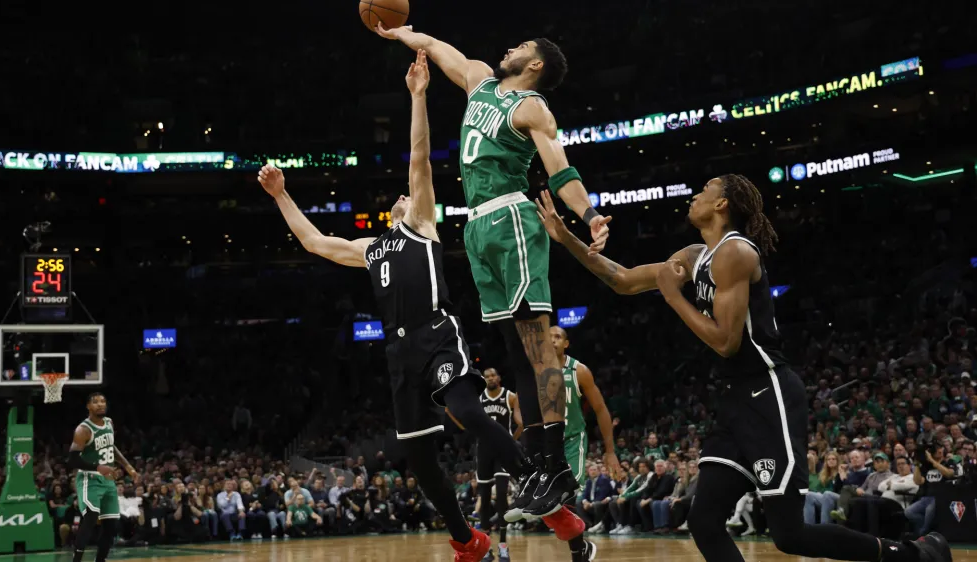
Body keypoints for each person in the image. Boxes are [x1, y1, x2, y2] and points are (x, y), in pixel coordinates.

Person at [536, 176, 952, 561]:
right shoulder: (696, 255)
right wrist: (565, 237)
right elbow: (624, 280)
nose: (694, 195)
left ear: (721, 204)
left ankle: (913, 556)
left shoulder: (735, 252)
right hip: (733, 400)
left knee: (789, 534)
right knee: (703, 521)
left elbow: (726, 341)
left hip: (768, 393)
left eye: (704, 189)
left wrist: (673, 297)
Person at [259, 51, 527, 562]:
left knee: (467, 410)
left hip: (436, 333)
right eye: (400, 197)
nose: (404, 195)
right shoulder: (371, 248)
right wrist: (281, 196)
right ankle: (467, 540)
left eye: (407, 194)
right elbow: (315, 242)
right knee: (420, 461)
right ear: (389, 212)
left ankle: (532, 480)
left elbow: (418, 158)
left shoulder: (422, 223)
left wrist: (418, 96)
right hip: (400, 356)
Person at [377, 24, 610, 559]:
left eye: (522, 48)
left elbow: (559, 169)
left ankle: (553, 465)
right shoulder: (480, 80)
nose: (510, 47)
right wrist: (403, 33)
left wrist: (589, 214)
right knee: (513, 351)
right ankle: (540, 463)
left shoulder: (532, 108)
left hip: (511, 219)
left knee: (536, 345)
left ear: (536, 65)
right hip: (478, 226)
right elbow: (439, 49)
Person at [549, 325, 619, 555]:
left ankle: (578, 552)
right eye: (548, 337)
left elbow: (600, 409)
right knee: (548, 502)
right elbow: (522, 407)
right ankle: (581, 548)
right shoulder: (536, 370)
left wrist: (610, 451)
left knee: (566, 491)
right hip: (548, 441)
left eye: (558, 337)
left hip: (572, 440)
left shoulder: (579, 371)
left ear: (566, 343)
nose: (553, 340)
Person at [68, 393, 137, 562]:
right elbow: (73, 460)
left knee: (111, 525)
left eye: (103, 401)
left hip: (108, 480)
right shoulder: (83, 430)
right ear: (88, 406)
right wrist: (99, 467)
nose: (100, 404)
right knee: (91, 517)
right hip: (89, 479)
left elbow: (111, 446)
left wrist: (128, 466)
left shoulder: (109, 423)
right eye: (95, 402)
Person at [475, 367, 522, 562]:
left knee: (502, 494)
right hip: (484, 451)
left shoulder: (510, 397)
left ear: (499, 377)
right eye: (487, 376)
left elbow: (521, 423)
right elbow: (465, 420)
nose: (490, 378)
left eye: (493, 375)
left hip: (503, 452)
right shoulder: (478, 399)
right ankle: (486, 547)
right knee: (485, 498)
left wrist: (511, 442)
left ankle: (503, 544)